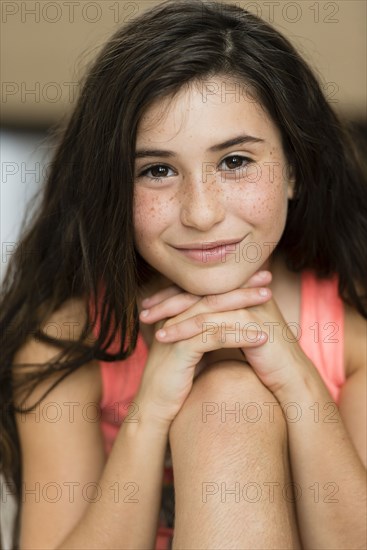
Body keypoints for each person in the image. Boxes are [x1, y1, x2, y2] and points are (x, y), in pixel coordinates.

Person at [1, 0, 366, 548]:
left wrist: (297, 379)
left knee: (229, 403)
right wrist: (150, 412)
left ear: (293, 167)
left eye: (235, 161)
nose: (201, 213)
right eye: (158, 170)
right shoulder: (66, 343)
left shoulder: (352, 335)